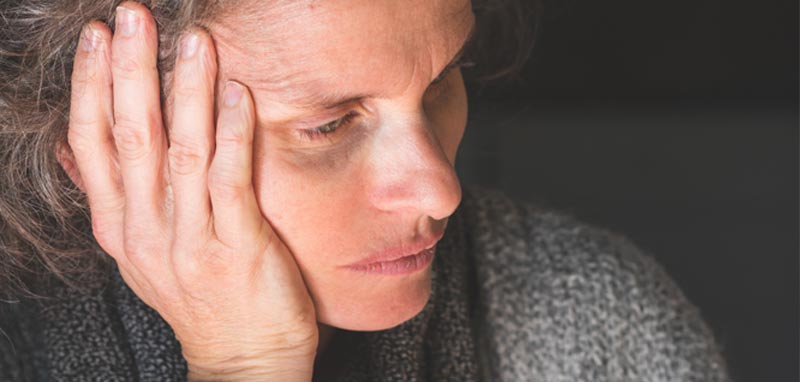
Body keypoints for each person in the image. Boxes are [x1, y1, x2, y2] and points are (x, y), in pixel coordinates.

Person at [0, 0, 731, 381]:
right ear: (99, 139)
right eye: (328, 126)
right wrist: (246, 366)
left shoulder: (593, 316)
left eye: (443, 82)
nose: (441, 191)